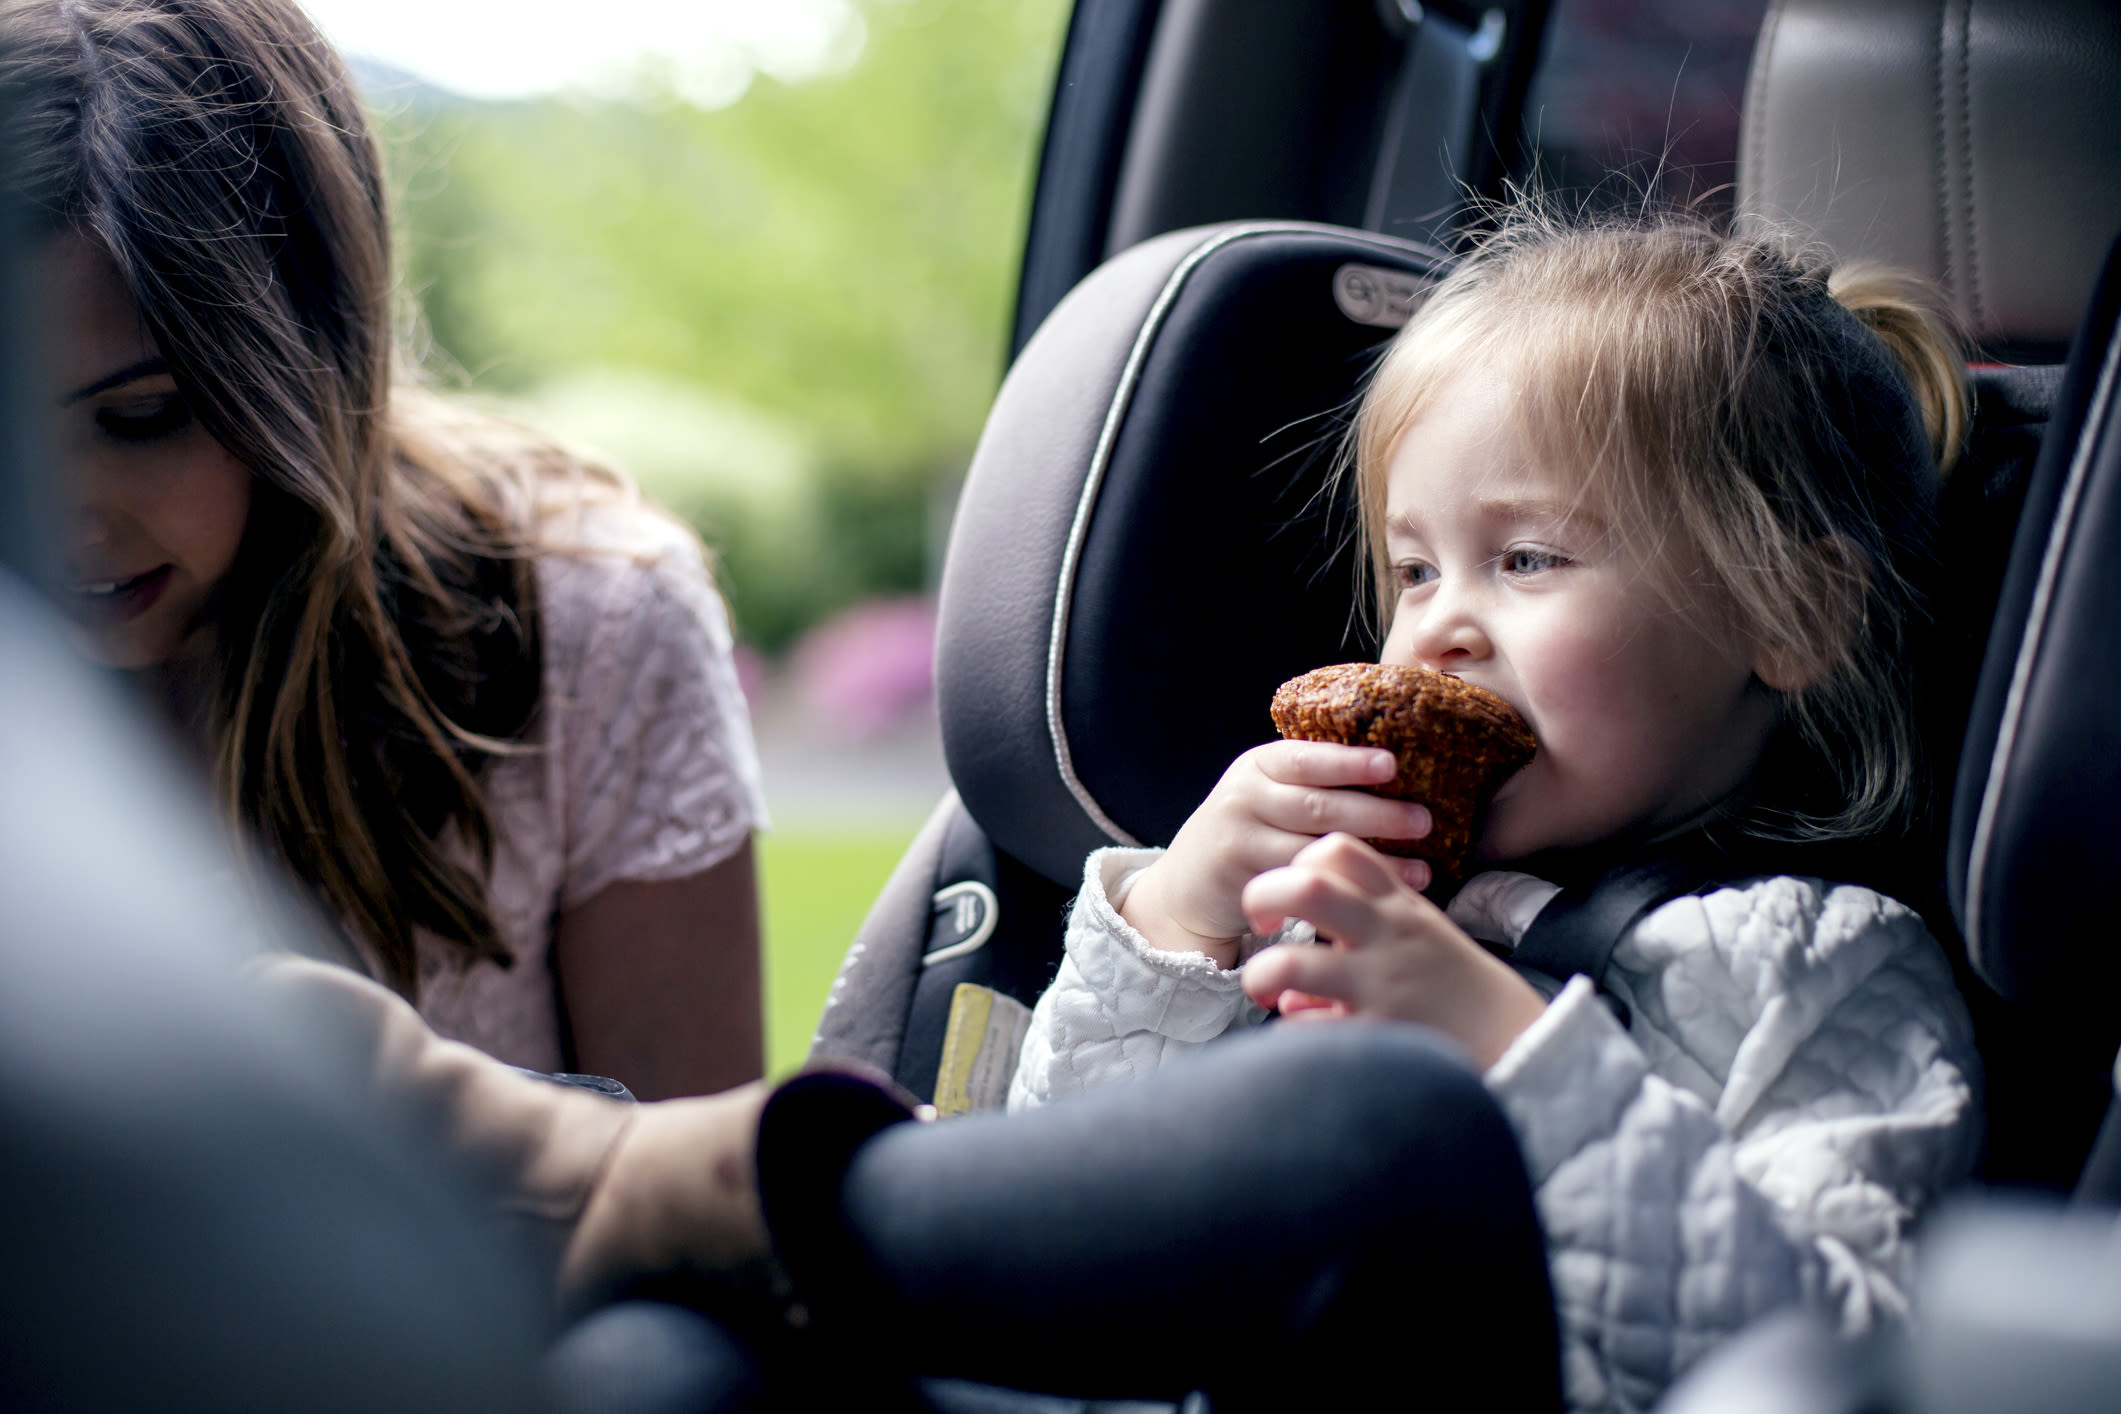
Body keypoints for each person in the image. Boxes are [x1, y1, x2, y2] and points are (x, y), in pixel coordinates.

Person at [1010, 211, 1985, 1411]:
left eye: (1526, 558)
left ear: (1788, 615)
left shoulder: (1813, 970)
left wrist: (1517, 1051)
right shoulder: (1330, 906)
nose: (1436, 628)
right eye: (1415, 569)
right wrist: (1177, 923)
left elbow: (1836, 1350)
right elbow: (1074, 1234)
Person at [7, 0, 767, 1098]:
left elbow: (696, 1204)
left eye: (148, 416)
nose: (67, 515)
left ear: (312, 362)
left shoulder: (591, 629)